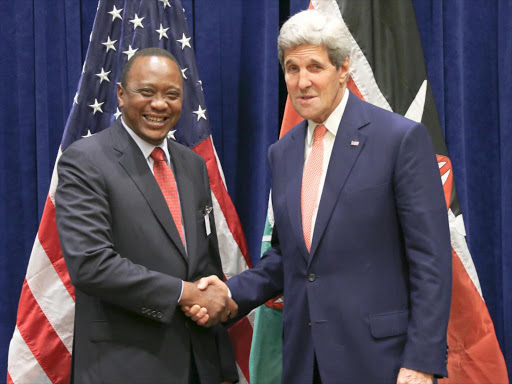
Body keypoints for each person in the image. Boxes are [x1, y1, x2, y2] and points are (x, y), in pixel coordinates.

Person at [185, 10, 452, 384]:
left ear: (343, 69)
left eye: (315, 66)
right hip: (304, 359)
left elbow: (431, 261)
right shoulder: (283, 152)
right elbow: (289, 256)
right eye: (292, 69)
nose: (303, 81)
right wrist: (230, 291)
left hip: (381, 362)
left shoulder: (398, 139)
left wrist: (422, 361)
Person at [56, 48, 238, 384]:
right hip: (124, 367)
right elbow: (91, 265)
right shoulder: (85, 161)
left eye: (172, 95)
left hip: (198, 367)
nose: (160, 104)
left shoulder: (192, 165)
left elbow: (203, 266)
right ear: (121, 95)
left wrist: (222, 364)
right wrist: (183, 293)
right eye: (147, 92)